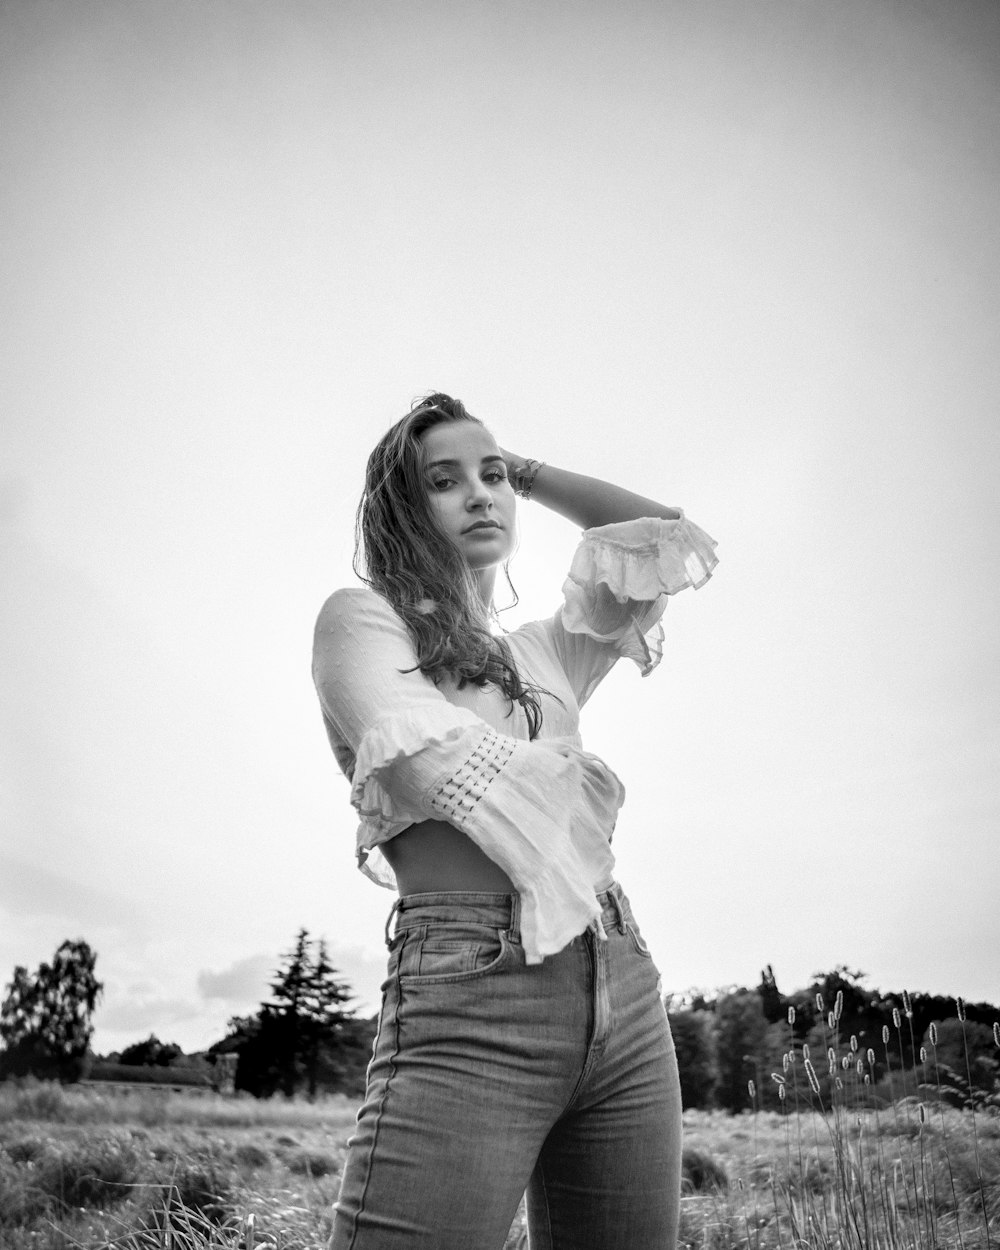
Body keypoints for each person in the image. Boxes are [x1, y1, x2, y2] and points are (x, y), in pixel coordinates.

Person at [312, 393, 718, 1250]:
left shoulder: (542, 651)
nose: (481, 495)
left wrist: (523, 471)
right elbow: (439, 764)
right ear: (403, 510)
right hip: (472, 989)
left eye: (491, 477)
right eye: (445, 481)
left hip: (620, 981)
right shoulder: (361, 623)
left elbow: (661, 538)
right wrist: (577, 779)